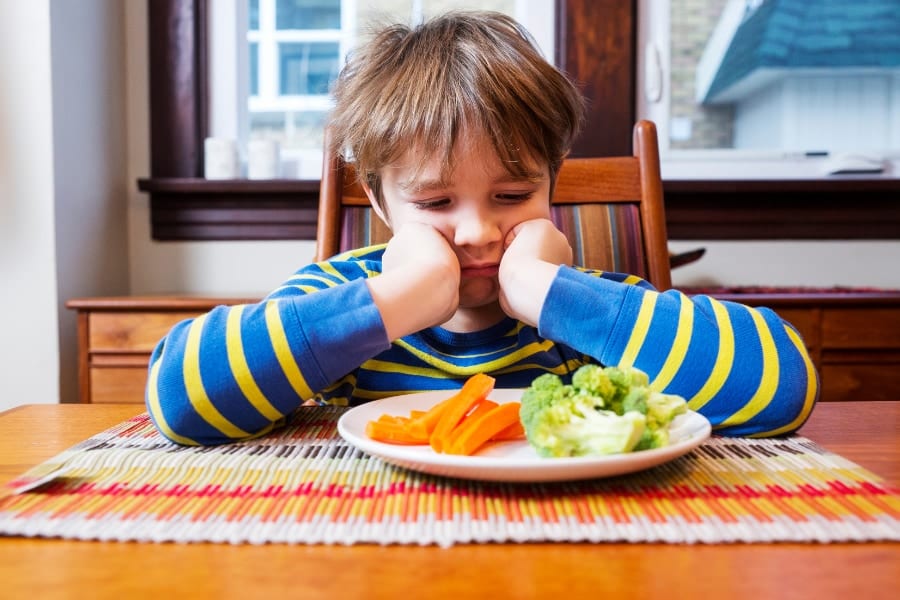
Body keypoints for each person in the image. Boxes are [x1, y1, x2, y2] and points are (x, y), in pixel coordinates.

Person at [145, 11, 818, 446]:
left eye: (512, 193)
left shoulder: (591, 309)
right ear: (380, 202)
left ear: (552, 182)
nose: (477, 232)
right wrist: (399, 299)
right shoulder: (343, 293)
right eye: (436, 203)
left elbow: (784, 388)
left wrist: (545, 289)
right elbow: (177, 398)